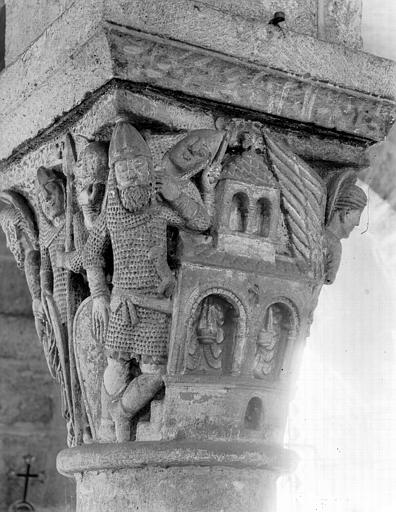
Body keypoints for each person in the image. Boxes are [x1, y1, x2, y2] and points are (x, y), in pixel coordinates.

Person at [82, 117, 214, 442]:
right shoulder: (111, 215)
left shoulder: (158, 210)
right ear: (115, 176)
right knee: (115, 364)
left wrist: (175, 194)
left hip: (157, 303)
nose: (131, 176)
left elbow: (200, 224)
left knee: (156, 372)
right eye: (124, 171)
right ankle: (105, 428)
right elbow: (89, 255)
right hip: (123, 304)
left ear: (148, 167)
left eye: (138, 167)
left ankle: (123, 413)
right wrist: (99, 294)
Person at [324, 172, 367, 284]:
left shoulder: (317, 233)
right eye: (358, 215)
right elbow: (329, 279)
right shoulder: (335, 246)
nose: (357, 223)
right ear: (346, 212)